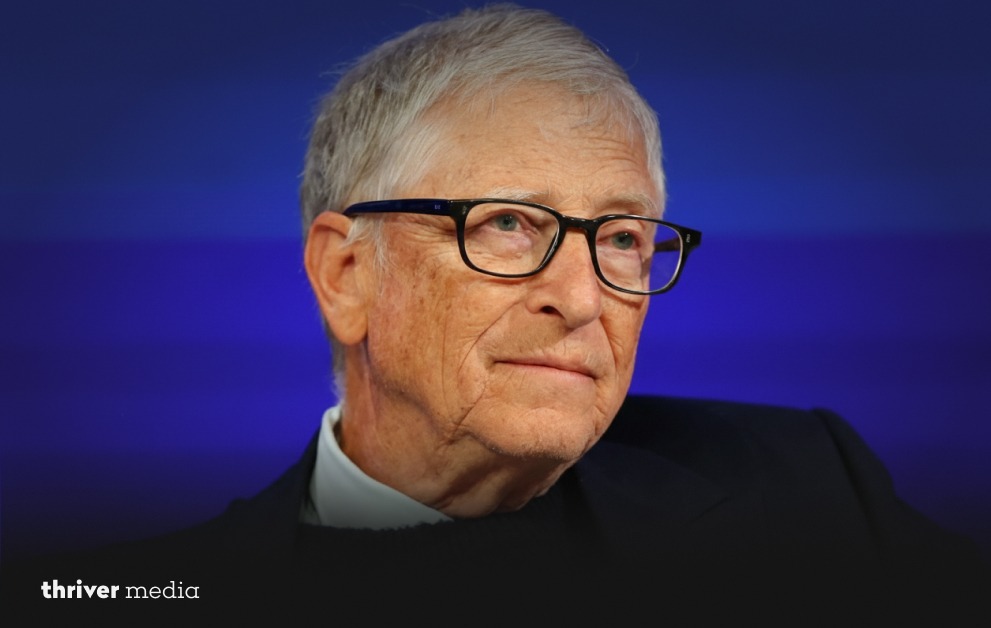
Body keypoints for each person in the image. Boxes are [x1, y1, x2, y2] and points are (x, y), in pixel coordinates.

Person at [3, 4, 987, 624]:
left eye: (620, 238)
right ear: (345, 274)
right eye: (508, 223)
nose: (581, 294)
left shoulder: (807, 490)